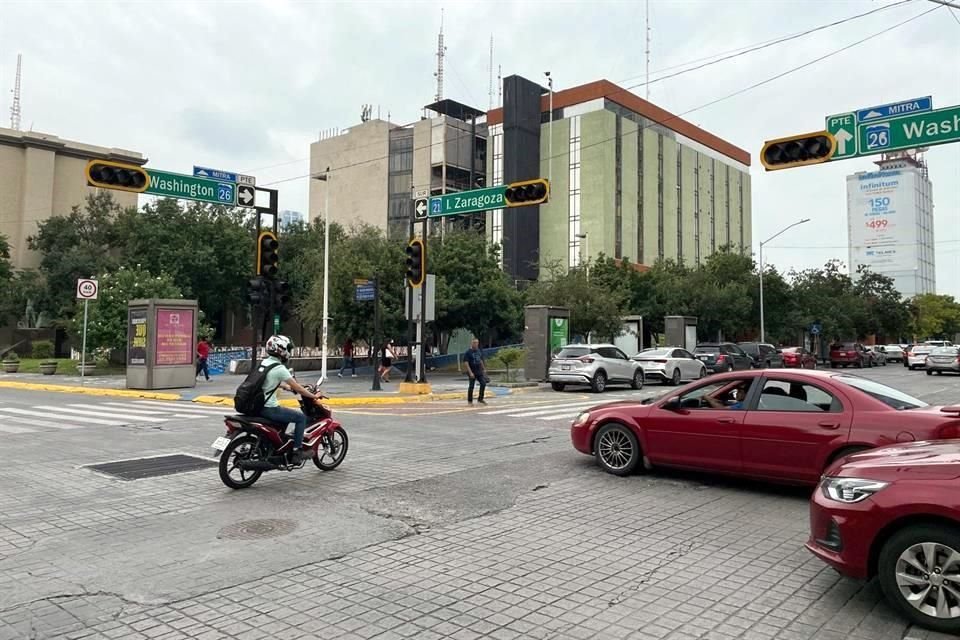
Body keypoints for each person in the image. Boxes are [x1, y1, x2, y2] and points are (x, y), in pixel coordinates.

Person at [260, 335, 325, 464]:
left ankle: (279, 447)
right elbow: (299, 388)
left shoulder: (265, 363)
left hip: (258, 406)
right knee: (300, 418)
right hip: (269, 408)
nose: (288, 352)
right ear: (281, 350)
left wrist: (285, 387)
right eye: (287, 349)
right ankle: (297, 451)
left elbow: (269, 382)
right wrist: (313, 396)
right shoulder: (279, 368)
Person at [464, 339, 488, 405]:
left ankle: (480, 399)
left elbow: (480, 360)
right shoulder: (468, 352)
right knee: (471, 386)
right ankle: (470, 401)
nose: (476, 344)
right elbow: (466, 363)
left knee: (483, 383)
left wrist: (484, 369)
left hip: (479, 371)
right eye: (474, 343)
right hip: (472, 371)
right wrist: (470, 373)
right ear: (471, 343)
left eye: (477, 343)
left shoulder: (478, 351)